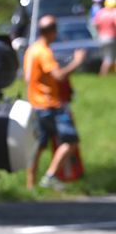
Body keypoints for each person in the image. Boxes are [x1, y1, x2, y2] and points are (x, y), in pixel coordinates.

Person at [24, 14, 85, 190]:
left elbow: (28, 77)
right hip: (51, 105)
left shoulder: (31, 50)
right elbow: (59, 75)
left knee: (38, 146)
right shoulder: (44, 52)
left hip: (36, 104)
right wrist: (77, 61)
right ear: (52, 32)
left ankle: (30, 185)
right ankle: (50, 176)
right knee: (71, 141)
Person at [93, 0, 116, 76]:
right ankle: (103, 75)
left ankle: (110, 74)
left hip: (101, 38)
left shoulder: (100, 12)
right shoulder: (114, 12)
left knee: (107, 57)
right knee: (109, 58)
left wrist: (99, 32)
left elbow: (95, 24)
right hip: (112, 38)